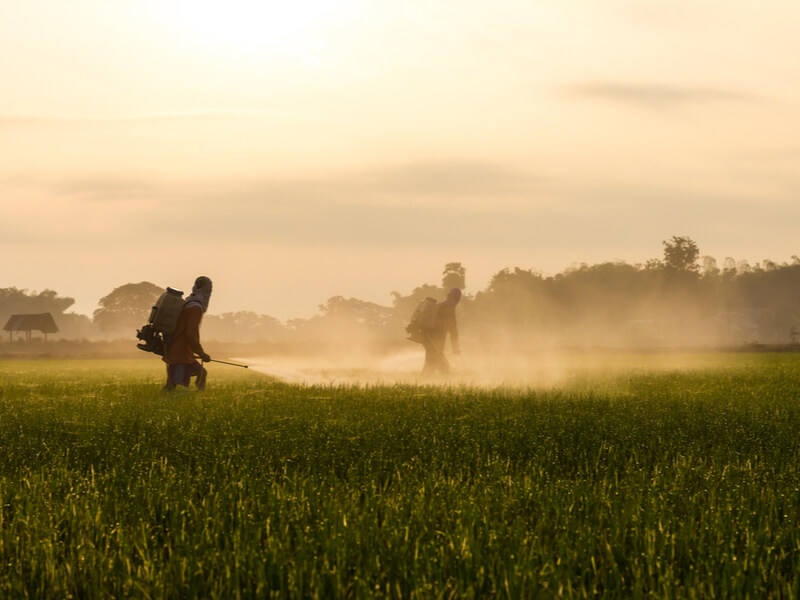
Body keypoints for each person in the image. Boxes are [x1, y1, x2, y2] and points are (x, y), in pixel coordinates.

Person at [163, 276, 212, 391]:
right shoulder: (195, 308)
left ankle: (200, 399)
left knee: (201, 373)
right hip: (181, 351)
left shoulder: (189, 301)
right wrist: (201, 353)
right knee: (171, 384)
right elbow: (191, 333)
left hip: (181, 350)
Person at [422, 287, 461, 376]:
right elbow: (453, 330)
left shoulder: (441, 305)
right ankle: (446, 384)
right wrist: (455, 348)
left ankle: (422, 383)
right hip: (435, 342)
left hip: (428, 338)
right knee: (441, 367)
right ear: (457, 297)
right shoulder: (450, 308)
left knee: (431, 364)